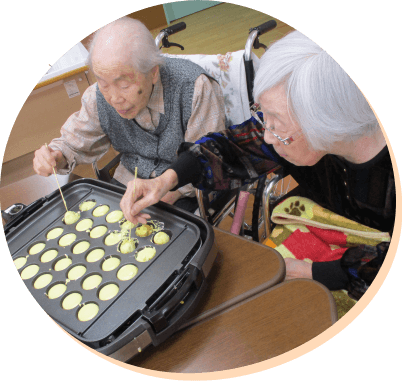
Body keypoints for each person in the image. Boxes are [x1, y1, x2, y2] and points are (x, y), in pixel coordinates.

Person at [120, 31, 396, 297]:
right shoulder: (293, 135)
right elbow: (233, 147)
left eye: (276, 122)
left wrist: (310, 272)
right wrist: (165, 180)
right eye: (264, 116)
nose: (266, 134)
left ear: (325, 124)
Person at [32, 16, 226, 212]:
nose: (114, 98)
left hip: (184, 189)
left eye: (124, 85)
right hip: (128, 182)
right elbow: (72, 143)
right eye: (104, 84)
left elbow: (208, 159)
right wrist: (55, 156)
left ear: (153, 73)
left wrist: (172, 190)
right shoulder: (98, 97)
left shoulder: (195, 88)